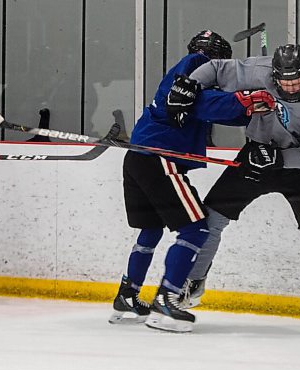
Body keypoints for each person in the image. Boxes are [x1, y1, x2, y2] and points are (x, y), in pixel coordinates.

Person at [171, 44, 300, 334]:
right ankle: (193, 282)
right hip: (256, 155)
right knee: (211, 218)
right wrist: (190, 84)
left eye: (297, 81)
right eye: (284, 82)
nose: (290, 87)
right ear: (274, 76)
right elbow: (215, 68)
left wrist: (278, 158)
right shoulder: (258, 71)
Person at [108, 29, 275, 332]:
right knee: (197, 228)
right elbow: (203, 104)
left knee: (151, 229)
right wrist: (245, 101)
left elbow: (209, 108)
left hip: (138, 158)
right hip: (159, 158)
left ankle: (128, 295)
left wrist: (250, 108)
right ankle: (167, 300)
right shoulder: (193, 66)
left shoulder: (182, 77)